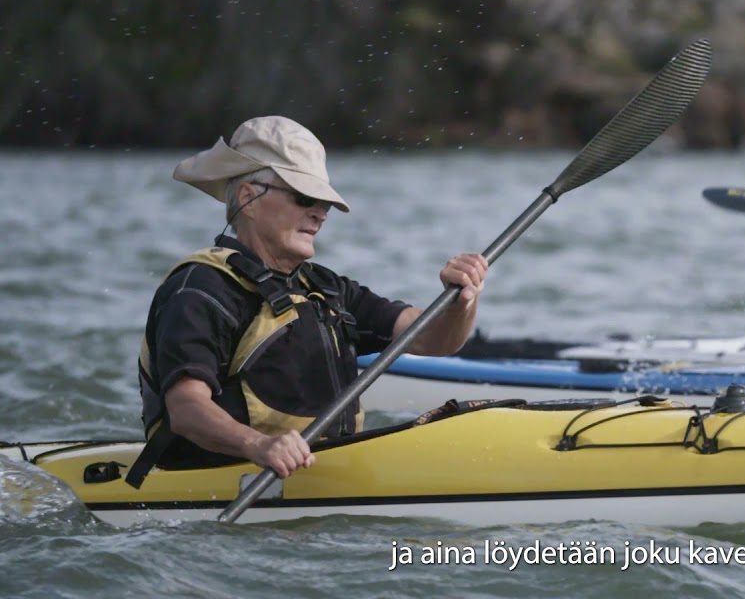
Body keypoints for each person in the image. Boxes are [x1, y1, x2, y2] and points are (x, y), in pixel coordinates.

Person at [131, 115, 488, 486]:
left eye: (324, 204)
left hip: (318, 477)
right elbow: (186, 409)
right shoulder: (200, 288)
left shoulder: (327, 289)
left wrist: (462, 298)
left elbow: (435, 339)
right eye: (305, 198)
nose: (319, 214)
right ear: (248, 197)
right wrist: (260, 446)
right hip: (219, 482)